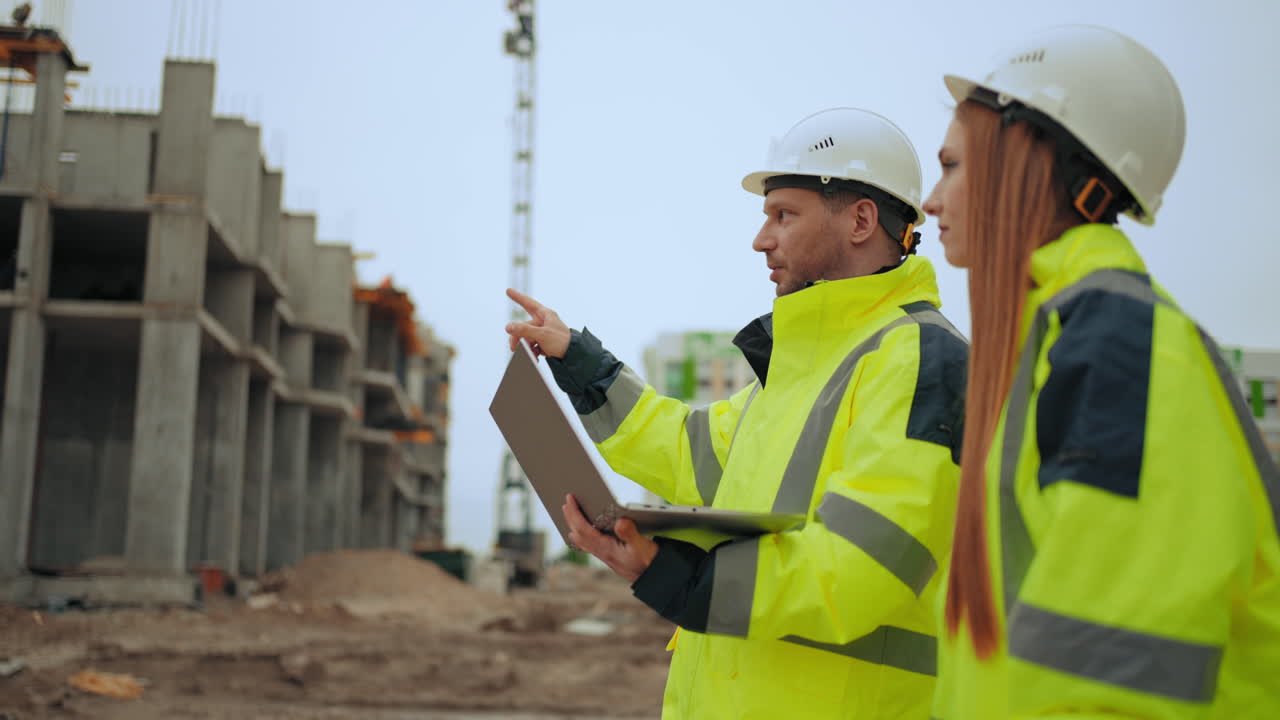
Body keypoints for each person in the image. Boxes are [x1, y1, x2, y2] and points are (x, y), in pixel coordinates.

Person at [504, 107, 968, 719]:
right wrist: (580, 362)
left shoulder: (917, 356)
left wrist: (685, 579)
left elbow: (865, 568)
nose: (761, 239)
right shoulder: (803, 369)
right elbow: (687, 450)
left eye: (784, 215)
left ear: (860, 220)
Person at [922, 25, 1280, 718]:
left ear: (1026, 160)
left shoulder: (1123, 351)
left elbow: (1112, 681)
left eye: (953, 166)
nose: (933, 200)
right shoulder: (1058, 344)